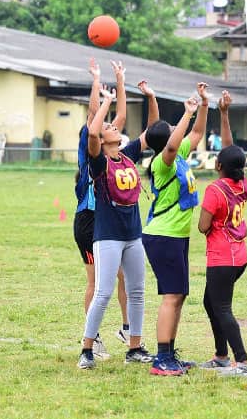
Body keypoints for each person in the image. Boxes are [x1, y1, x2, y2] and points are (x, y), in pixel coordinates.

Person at [74, 59, 146, 358]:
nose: (111, 125)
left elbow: (122, 115)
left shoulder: (121, 154)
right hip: (92, 219)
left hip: (122, 224)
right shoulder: (93, 150)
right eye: (107, 125)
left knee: (126, 280)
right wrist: (97, 84)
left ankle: (130, 332)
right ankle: (92, 340)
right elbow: (95, 122)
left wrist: (119, 81)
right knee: (97, 283)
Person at [142, 82, 209, 377]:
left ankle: (170, 353)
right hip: (163, 235)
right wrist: (187, 113)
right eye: (172, 128)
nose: (178, 133)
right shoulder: (162, 162)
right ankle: (160, 359)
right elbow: (172, 144)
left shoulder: (178, 154)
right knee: (171, 294)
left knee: (179, 293)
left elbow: (195, 135)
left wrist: (204, 106)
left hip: (177, 236)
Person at [198, 91, 247, 377]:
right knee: (211, 302)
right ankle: (221, 355)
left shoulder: (214, 190)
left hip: (223, 256)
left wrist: (208, 222)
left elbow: (202, 226)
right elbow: (232, 152)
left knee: (221, 307)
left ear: (218, 166)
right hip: (238, 255)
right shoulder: (241, 183)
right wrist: (223, 113)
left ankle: (242, 362)